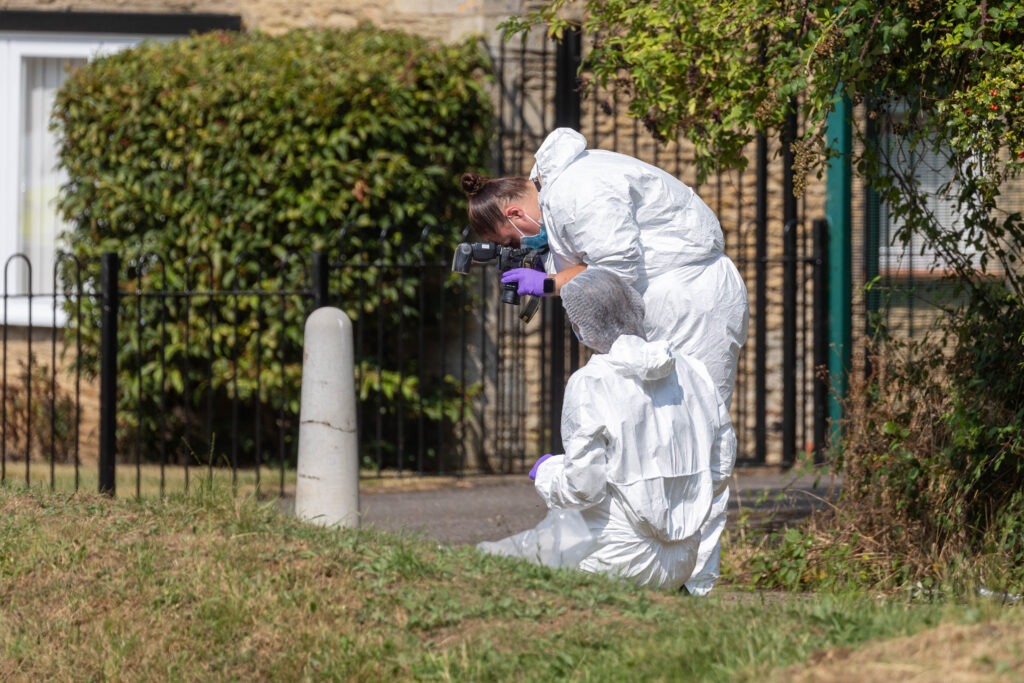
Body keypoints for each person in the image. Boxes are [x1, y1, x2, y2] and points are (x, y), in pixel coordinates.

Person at [462, 127, 747, 594]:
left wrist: (549, 284)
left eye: (512, 240)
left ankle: (695, 581)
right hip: (666, 301)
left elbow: (616, 271)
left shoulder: (579, 189)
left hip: (691, 303)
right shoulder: (560, 194)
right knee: (665, 434)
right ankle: (672, 569)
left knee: (695, 435)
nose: (520, 250)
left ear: (514, 211)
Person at [478, 268, 731, 591]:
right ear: (636, 308)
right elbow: (721, 464)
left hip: (615, 559)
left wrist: (547, 473)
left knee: (511, 571)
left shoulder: (593, 382)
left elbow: (583, 488)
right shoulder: (692, 370)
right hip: (683, 560)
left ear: (582, 327)